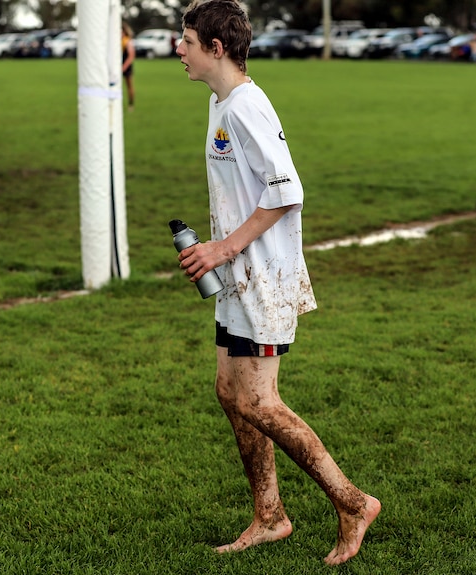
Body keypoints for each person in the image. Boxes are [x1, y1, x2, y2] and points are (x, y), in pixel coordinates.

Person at [174, 0, 380, 566]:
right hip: (237, 277)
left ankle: (353, 501)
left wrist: (223, 247)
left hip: (263, 278)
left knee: (259, 402)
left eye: (186, 40)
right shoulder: (223, 104)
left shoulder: (244, 108)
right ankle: (270, 516)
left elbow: (288, 191)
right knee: (229, 393)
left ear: (216, 49)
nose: (178, 49)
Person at [121, 22, 136, 110]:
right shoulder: (117, 41)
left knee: (129, 86)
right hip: (119, 67)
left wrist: (124, 67)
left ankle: (131, 105)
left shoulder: (127, 41)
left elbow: (131, 56)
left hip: (126, 67)